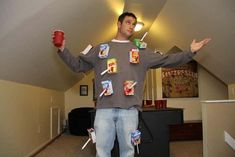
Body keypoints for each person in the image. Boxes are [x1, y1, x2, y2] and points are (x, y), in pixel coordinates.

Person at [52, 12, 211, 157]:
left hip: (130, 110)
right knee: (102, 151)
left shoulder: (141, 51)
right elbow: (77, 66)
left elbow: (167, 60)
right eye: (128, 22)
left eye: (134, 24)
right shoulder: (101, 49)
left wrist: (190, 52)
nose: (132, 26)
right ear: (118, 24)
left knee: (128, 151)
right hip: (104, 109)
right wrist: (63, 49)